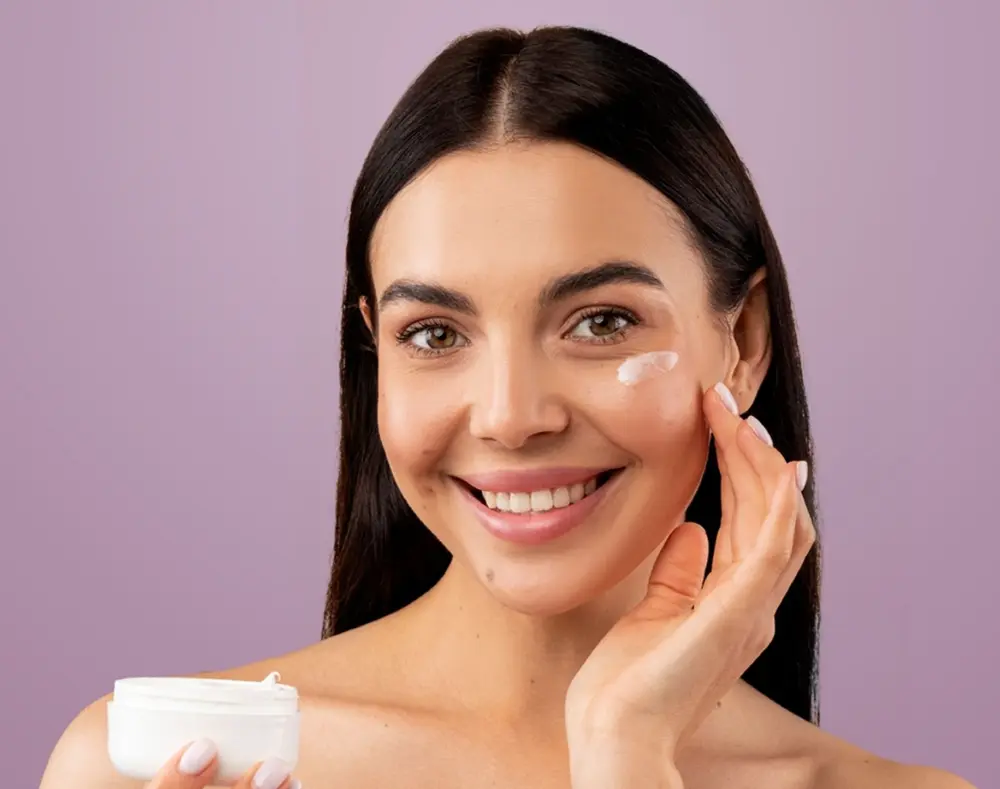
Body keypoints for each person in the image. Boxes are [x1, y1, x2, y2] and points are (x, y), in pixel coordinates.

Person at [40, 25, 974, 789]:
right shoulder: (146, 763)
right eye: (436, 334)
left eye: (601, 321)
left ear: (745, 337)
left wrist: (626, 753)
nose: (510, 415)